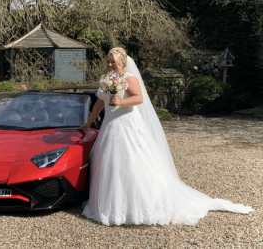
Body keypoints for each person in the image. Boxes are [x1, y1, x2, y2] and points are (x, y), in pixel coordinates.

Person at [79, 47, 253, 226]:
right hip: (109, 126)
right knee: (110, 164)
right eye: (107, 62)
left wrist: (121, 101)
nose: (109, 65)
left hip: (126, 125)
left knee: (131, 163)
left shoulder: (129, 78)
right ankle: (108, 205)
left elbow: (139, 98)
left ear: (122, 62)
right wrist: (89, 121)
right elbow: (100, 102)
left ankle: (138, 205)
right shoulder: (106, 79)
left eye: (112, 62)